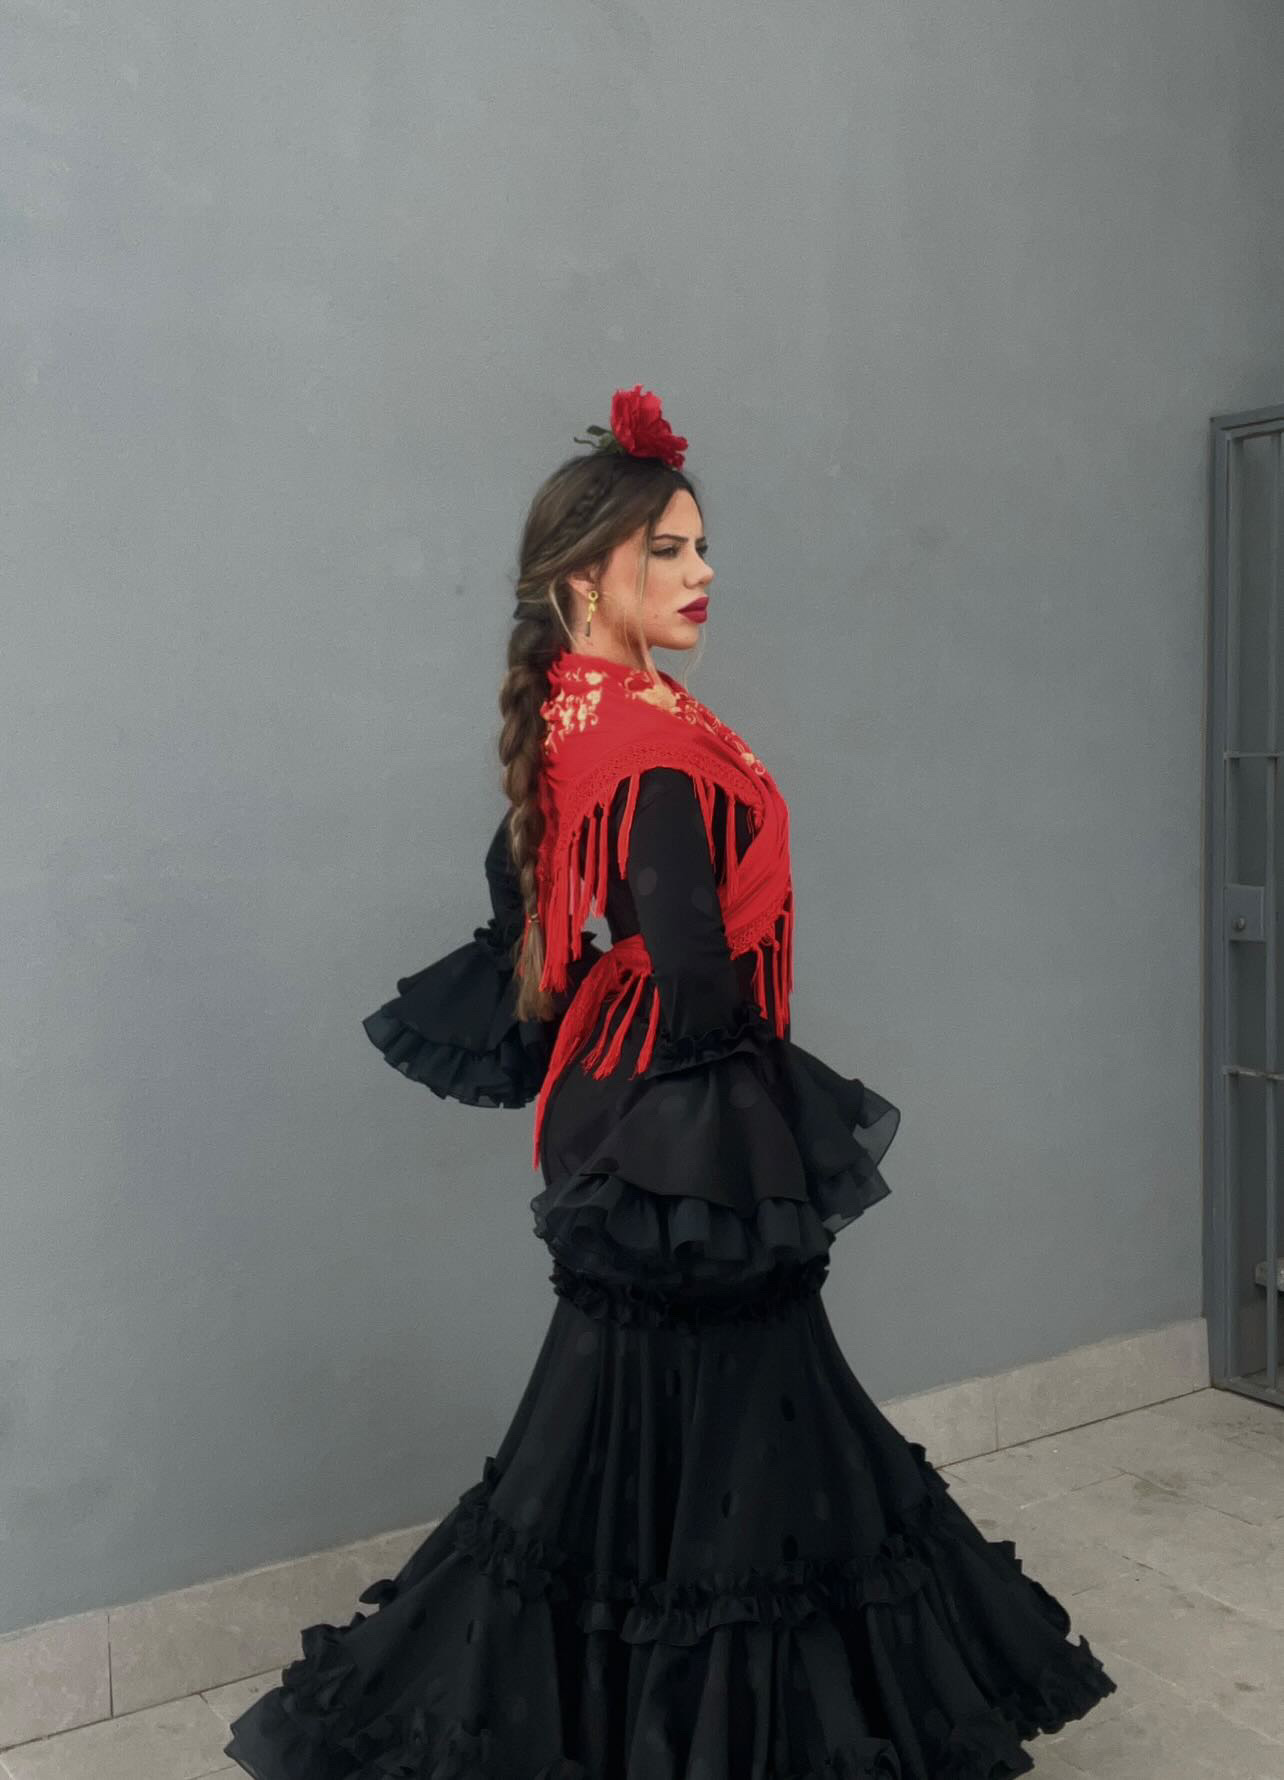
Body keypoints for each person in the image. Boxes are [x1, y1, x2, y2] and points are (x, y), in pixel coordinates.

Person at [223, 387, 1117, 1779]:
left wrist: (620, 1021)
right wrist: (731, 1102)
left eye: (704, 547)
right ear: (589, 575)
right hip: (679, 1111)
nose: (703, 573)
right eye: (671, 551)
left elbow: (528, 895)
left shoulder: (588, 712)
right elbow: (693, 961)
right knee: (720, 1424)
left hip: (634, 1102)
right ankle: (694, 1728)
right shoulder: (640, 737)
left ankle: (654, 1719)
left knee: (658, 1427)